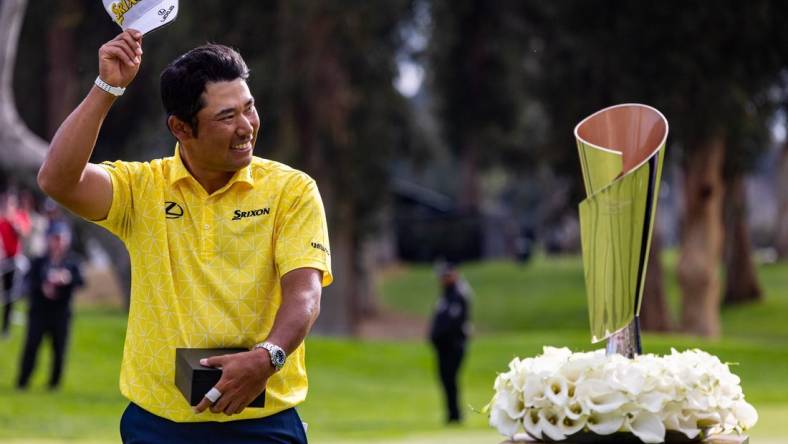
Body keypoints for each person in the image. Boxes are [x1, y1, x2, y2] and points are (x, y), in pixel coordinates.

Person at [37, 29, 332, 443]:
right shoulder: (143, 188)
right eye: (227, 117)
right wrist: (107, 88)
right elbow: (57, 179)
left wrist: (268, 358)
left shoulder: (292, 190)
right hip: (157, 424)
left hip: (262, 424)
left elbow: (305, 294)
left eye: (249, 108)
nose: (246, 126)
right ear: (181, 128)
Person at [17, 222, 83, 390]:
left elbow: (81, 282)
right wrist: (43, 286)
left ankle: (54, 384)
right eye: (55, 238)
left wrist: (67, 279)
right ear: (48, 239)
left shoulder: (72, 262)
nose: (58, 242)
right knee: (31, 346)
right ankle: (23, 381)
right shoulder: (39, 261)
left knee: (59, 349)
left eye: (61, 239)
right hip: (39, 311)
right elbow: (28, 282)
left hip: (61, 313)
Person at [428, 262, 471, 424]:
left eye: (446, 276)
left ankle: (455, 414)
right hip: (442, 347)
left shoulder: (459, 294)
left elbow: (454, 322)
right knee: (445, 379)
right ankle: (451, 413)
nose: (442, 279)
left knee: (451, 379)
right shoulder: (445, 295)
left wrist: (440, 335)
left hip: (454, 345)